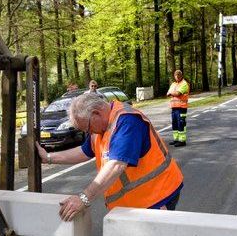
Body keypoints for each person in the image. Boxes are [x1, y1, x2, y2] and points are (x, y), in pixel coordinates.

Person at [35, 93, 184, 221]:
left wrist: (83, 198)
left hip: (157, 196)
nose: (88, 133)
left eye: (87, 128)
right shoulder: (100, 128)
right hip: (135, 203)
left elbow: (117, 164)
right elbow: (84, 151)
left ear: (96, 113)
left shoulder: (127, 121)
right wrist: (48, 157)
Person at [166, 69, 190, 147]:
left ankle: (182, 141)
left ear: (181, 75)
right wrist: (172, 93)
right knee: (175, 123)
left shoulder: (184, 84)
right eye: (176, 76)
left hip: (181, 107)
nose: (177, 77)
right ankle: (176, 139)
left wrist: (172, 93)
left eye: (178, 75)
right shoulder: (173, 84)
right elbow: (168, 93)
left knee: (181, 123)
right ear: (174, 76)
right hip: (174, 107)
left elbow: (177, 93)